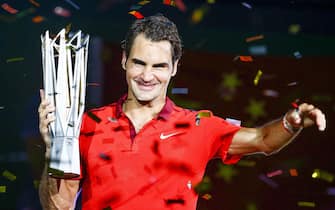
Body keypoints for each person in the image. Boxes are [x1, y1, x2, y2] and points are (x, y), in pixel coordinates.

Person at [38, 14, 326, 210]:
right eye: (139, 63)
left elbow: (262, 139)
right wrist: (53, 149)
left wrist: (290, 123)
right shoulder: (89, 123)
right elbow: (58, 206)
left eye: (159, 66)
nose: (147, 76)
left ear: (174, 68)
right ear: (124, 61)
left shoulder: (199, 125)